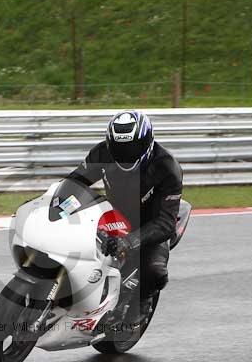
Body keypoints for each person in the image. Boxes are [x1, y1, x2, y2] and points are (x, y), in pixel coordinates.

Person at [66, 110, 183, 325]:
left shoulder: (167, 167)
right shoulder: (102, 153)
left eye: (132, 148)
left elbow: (166, 223)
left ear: (147, 142)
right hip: (112, 213)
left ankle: (142, 302)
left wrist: (129, 242)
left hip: (151, 223)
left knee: (154, 271)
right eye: (119, 148)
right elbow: (75, 183)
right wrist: (56, 205)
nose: (126, 153)